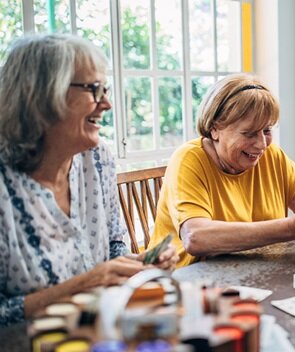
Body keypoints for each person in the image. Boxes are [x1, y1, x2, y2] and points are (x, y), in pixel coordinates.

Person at [0, 34, 178, 327]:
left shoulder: (96, 159)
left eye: (104, 89)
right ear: (39, 96)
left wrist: (135, 264)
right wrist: (83, 286)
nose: (106, 103)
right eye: (94, 89)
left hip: (97, 337)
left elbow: (113, 246)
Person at [148, 74, 295, 267]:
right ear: (215, 128)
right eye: (249, 133)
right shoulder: (188, 159)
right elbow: (196, 237)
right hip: (186, 282)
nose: (261, 144)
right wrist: (292, 227)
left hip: (252, 272)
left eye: (267, 130)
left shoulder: (272, 154)